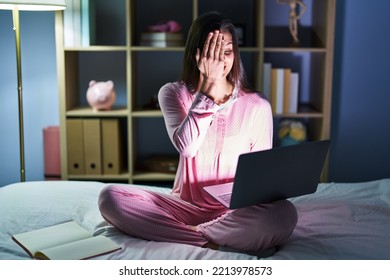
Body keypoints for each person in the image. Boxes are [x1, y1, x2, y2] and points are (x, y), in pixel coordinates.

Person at [98, 11, 297, 257]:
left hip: (234, 212)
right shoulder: (173, 93)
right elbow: (188, 147)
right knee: (110, 197)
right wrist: (210, 89)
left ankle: (195, 233)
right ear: (196, 53)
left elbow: (260, 178)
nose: (220, 60)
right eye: (212, 52)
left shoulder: (257, 105)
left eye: (226, 51)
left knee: (284, 214)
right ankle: (208, 240)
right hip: (184, 206)